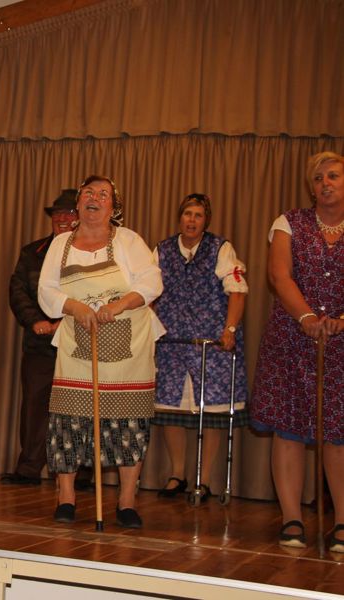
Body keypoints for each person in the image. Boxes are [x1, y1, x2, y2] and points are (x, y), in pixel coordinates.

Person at [38, 175, 163, 529]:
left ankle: (126, 501)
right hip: (77, 346)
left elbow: (151, 282)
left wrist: (119, 305)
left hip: (129, 349)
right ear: (78, 203)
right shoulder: (60, 244)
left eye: (103, 194)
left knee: (127, 424)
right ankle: (66, 497)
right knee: (67, 421)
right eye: (89, 193)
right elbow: (46, 291)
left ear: (113, 206)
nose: (95, 198)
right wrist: (74, 306)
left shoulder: (128, 241)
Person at [251, 151, 344, 551]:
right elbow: (279, 275)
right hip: (291, 337)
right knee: (288, 429)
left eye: (333, 176)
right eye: (318, 178)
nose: (325, 183)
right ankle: (292, 519)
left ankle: (342, 523)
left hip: (341, 341)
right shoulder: (288, 222)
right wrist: (306, 317)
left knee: (338, 434)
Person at [151, 194, 249, 500]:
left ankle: (203, 480)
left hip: (211, 342)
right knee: (171, 408)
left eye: (198, 215)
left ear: (206, 221)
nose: (191, 220)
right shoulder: (162, 250)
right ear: (179, 218)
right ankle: (177, 474)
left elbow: (237, 291)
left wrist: (229, 329)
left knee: (213, 411)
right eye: (187, 214)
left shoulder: (221, 248)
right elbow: (147, 292)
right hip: (172, 342)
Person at [0, 189, 77, 486]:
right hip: (40, 346)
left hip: (77, 346)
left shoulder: (91, 254)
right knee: (34, 406)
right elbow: (17, 290)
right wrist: (36, 322)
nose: (62, 218)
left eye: (69, 213)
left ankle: (78, 473)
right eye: (57, 214)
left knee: (78, 410)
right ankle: (29, 468)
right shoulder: (32, 252)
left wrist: (65, 324)